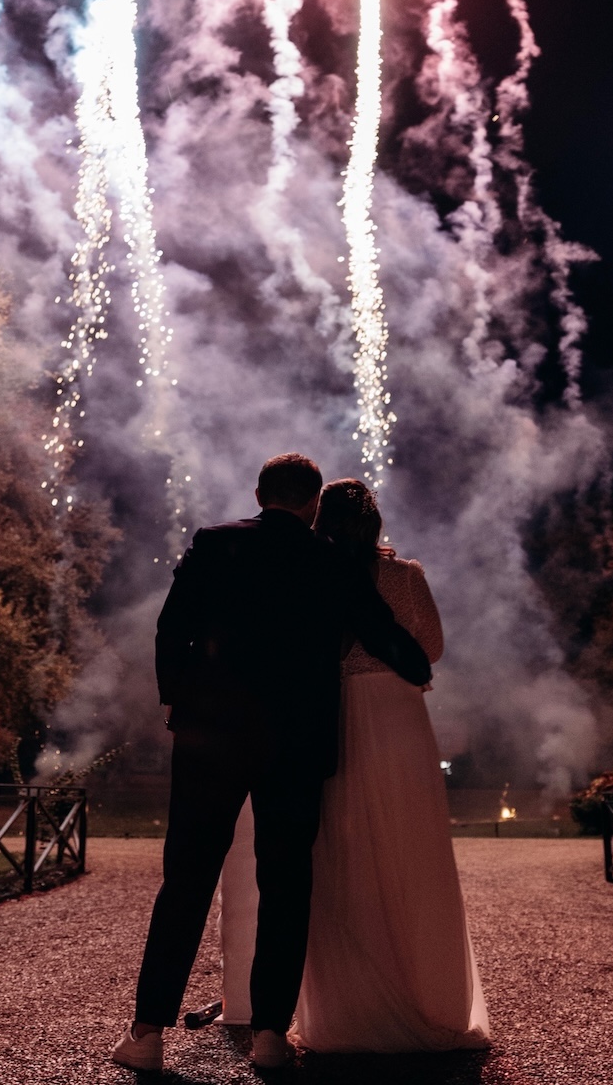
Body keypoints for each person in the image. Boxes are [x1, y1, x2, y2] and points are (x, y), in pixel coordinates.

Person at [112, 454, 432, 1073]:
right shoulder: (333, 560)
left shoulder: (214, 543)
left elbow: (170, 628)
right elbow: (380, 628)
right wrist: (418, 670)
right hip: (297, 742)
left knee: (186, 881)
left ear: (259, 493)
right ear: (314, 504)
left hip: (212, 739)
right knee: (285, 886)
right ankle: (269, 1036)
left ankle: (147, 1033)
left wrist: (179, 703)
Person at [219, 479, 490, 1053]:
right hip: (396, 714)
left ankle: (346, 1008)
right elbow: (432, 647)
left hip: (334, 710)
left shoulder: (310, 570)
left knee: (340, 854)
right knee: (411, 851)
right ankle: (429, 995)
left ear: (321, 520)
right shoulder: (405, 576)